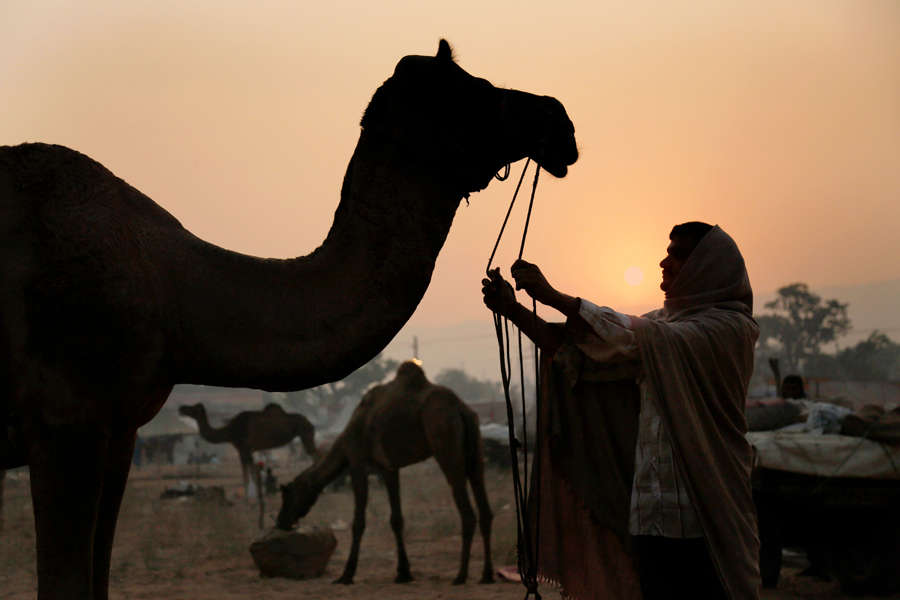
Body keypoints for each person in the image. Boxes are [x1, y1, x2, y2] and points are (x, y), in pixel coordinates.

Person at [482, 222, 760, 599]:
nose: (664, 262)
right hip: (649, 519)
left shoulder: (728, 329)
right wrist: (513, 310)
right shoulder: (663, 327)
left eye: (678, 254)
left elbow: (631, 335)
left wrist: (553, 296)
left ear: (706, 267)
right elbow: (578, 350)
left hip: (705, 514)